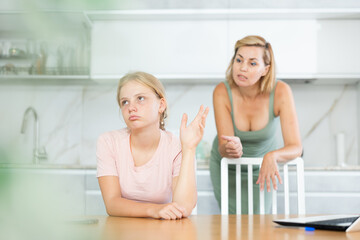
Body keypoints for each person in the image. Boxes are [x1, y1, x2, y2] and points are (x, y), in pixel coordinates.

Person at [96, 71, 209, 220]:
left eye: (140, 98)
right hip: (121, 231)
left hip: (164, 230)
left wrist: (188, 148)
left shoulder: (174, 146)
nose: (131, 108)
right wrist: (155, 210)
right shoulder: (108, 142)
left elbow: (184, 206)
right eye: (125, 102)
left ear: (161, 105)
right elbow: (112, 204)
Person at [210, 35, 302, 214]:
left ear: (265, 70)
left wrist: (272, 156)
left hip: (263, 168)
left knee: (259, 220)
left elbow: (296, 147)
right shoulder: (222, 91)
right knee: (230, 222)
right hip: (228, 167)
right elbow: (223, 147)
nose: (242, 68)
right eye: (239, 60)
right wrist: (230, 148)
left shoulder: (281, 92)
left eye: (252, 63)